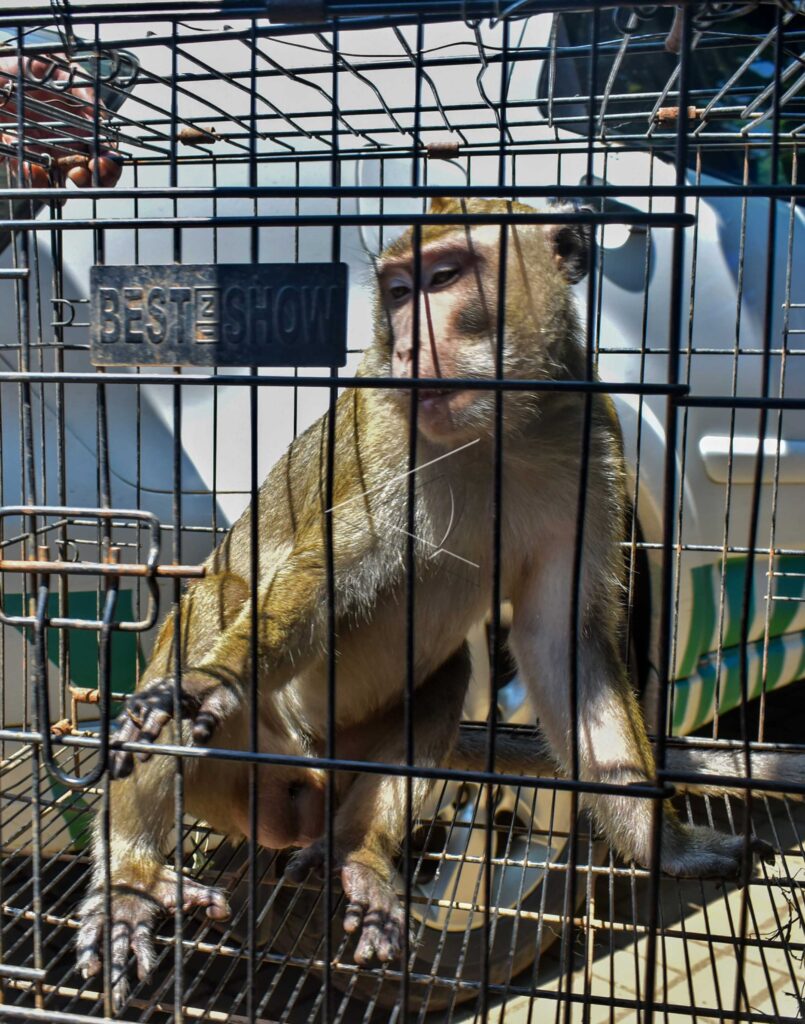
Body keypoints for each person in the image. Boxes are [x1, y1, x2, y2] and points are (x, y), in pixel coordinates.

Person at [0, 53, 122, 189]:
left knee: (101, 168)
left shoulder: (23, 62)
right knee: (37, 175)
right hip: (41, 151)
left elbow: (65, 71)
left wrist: (95, 111)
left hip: (87, 132)